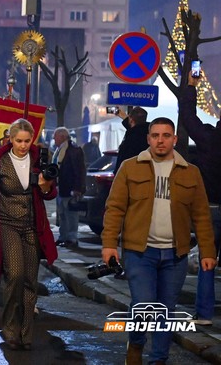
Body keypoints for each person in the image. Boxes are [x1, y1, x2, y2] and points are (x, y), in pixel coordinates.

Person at [102, 117, 216, 364]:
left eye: (166, 135)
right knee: (142, 305)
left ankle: (158, 360)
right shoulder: (131, 167)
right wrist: (109, 244)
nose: (160, 140)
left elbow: (201, 214)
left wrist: (208, 251)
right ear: (148, 139)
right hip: (139, 252)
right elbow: (114, 208)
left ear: (174, 139)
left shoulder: (191, 172)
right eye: (155, 135)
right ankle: (136, 343)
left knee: (166, 311)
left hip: (176, 255)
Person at [0, 118, 58, 351]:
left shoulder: (39, 161)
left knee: (31, 281)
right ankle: (10, 328)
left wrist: (45, 185)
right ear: (10, 139)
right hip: (7, 225)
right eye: (18, 140)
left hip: (31, 227)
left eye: (27, 141)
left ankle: (26, 334)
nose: (23, 145)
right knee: (15, 275)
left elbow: (50, 194)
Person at [179, 72, 221, 326]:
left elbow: (188, 118)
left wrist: (191, 88)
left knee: (208, 259)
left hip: (211, 209)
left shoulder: (209, 138)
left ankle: (204, 314)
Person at [52, 127, 86, 248]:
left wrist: (77, 188)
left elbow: (79, 170)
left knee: (71, 214)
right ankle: (63, 237)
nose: (53, 138)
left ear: (62, 137)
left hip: (69, 188)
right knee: (62, 214)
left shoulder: (74, 150)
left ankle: (71, 238)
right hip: (61, 187)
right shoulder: (60, 149)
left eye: (55, 136)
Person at [113, 107, 149, 176]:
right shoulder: (147, 134)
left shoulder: (131, 138)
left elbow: (125, 158)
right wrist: (125, 117)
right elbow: (136, 128)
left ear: (131, 120)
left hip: (129, 175)